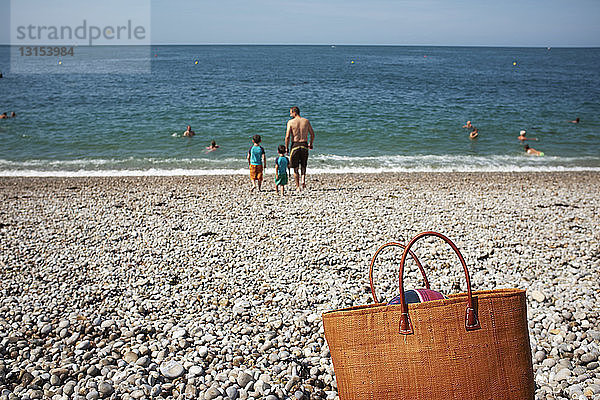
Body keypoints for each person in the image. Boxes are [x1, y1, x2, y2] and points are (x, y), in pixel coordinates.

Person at [285, 106, 315, 191]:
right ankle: (303, 180)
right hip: (304, 144)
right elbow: (312, 134)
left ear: (294, 112)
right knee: (303, 165)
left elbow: (287, 136)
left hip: (295, 145)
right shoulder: (306, 121)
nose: (290, 114)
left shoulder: (290, 122)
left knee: (295, 167)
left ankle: (298, 186)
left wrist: (286, 147)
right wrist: (310, 143)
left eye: (291, 112)